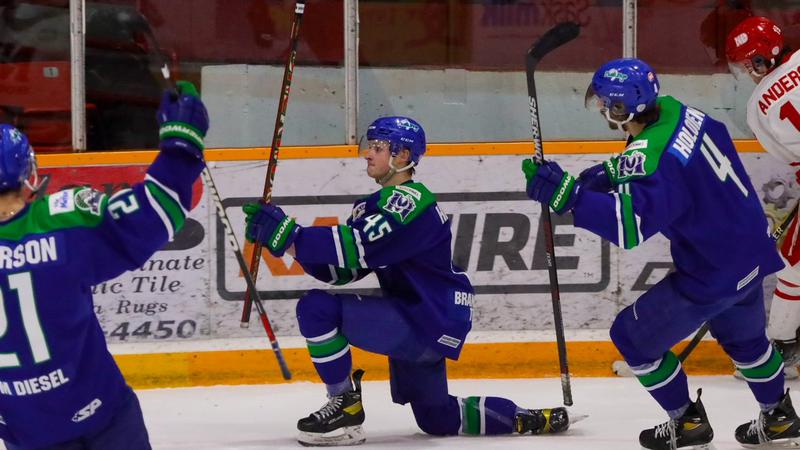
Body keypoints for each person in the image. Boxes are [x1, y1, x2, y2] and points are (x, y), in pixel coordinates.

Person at [243, 116, 571, 446]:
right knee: (437, 418)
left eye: (378, 147)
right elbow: (343, 272)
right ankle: (526, 417)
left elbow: (356, 246)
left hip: (425, 317)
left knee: (316, 308)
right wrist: (286, 243)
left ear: (401, 156)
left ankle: (344, 403)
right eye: (369, 146)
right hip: (428, 317)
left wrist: (290, 235)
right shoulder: (373, 207)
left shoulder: (409, 202)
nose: (368, 153)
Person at [522, 58, 799, 448]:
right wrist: (603, 175)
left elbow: (629, 226)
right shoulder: (680, 111)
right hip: (752, 251)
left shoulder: (656, 157)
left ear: (621, 108)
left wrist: (570, 197)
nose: (600, 108)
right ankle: (779, 418)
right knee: (748, 344)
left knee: (631, 338)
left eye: (604, 102)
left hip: (713, 271)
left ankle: (687, 423)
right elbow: (660, 156)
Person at [0, 80, 208, 449]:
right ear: (26, 172)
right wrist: (182, 143)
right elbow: (156, 211)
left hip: (28, 432)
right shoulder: (62, 222)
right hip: (105, 418)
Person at [726, 16, 800, 375]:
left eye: (748, 64)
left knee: (793, 265)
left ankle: (782, 347)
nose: (748, 72)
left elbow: (787, 156)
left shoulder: (758, 107)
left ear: (762, 59)